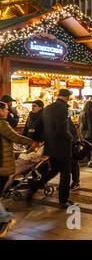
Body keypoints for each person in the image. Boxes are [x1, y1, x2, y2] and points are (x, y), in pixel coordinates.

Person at [28, 89, 75, 207]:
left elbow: (37, 126)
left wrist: (36, 140)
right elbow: (62, 128)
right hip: (62, 146)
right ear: (67, 97)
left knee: (53, 170)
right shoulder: (63, 108)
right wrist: (70, 138)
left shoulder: (47, 108)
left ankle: (33, 188)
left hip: (50, 146)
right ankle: (63, 200)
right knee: (65, 173)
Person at [0, 101, 34, 238]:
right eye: (6, 109)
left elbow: (15, 137)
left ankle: (5, 219)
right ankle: (5, 218)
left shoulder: (3, 123)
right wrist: (31, 142)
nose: (7, 111)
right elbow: (15, 137)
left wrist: (30, 142)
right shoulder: (2, 123)